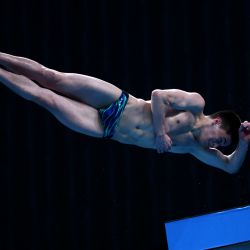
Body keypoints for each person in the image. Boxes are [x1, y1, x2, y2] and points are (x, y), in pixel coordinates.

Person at [0, 52, 249, 174]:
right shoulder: (196, 104)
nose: (217, 144)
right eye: (221, 139)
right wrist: (161, 133)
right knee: (51, 77)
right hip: (119, 102)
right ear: (216, 121)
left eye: (222, 144)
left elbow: (230, 167)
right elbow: (158, 95)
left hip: (106, 128)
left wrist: (244, 142)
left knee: (46, 98)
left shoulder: (194, 148)